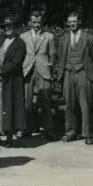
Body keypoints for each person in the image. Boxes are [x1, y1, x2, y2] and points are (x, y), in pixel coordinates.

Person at [58, 12, 93, 145]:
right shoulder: (64, 38)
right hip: (68, 72)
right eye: (70, 22)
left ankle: (87, 134)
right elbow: (61, 56)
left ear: (79, 21)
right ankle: (70, 132)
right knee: (69, 103)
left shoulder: (89, 37)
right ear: (67, 23)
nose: (72, 24)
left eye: (74, 21)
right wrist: (62, 73)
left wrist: (90, 72)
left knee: (85, 104)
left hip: (83, 73)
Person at [20, 10, 57, 140]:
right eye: (34, 22)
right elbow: (21, 53)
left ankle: (48, 130)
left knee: (45, 102)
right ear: (30, 22)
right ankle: (27, 129)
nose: (36, 25)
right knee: (27, 102)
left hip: (43, 71)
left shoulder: (49, 36)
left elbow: (53, 53)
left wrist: (50, 65)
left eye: (39, 22)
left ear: (42, 22)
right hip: (27, 70)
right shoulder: (23, 36)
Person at [0, 15, 27, 147]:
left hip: (12, 80)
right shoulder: (1, 40)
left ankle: (10, 137)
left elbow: (16, 63)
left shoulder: (20, 44)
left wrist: (0, 71)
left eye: (10, 26)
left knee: (10, 106)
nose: (8, 28)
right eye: (6, 26)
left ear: (15, 27)